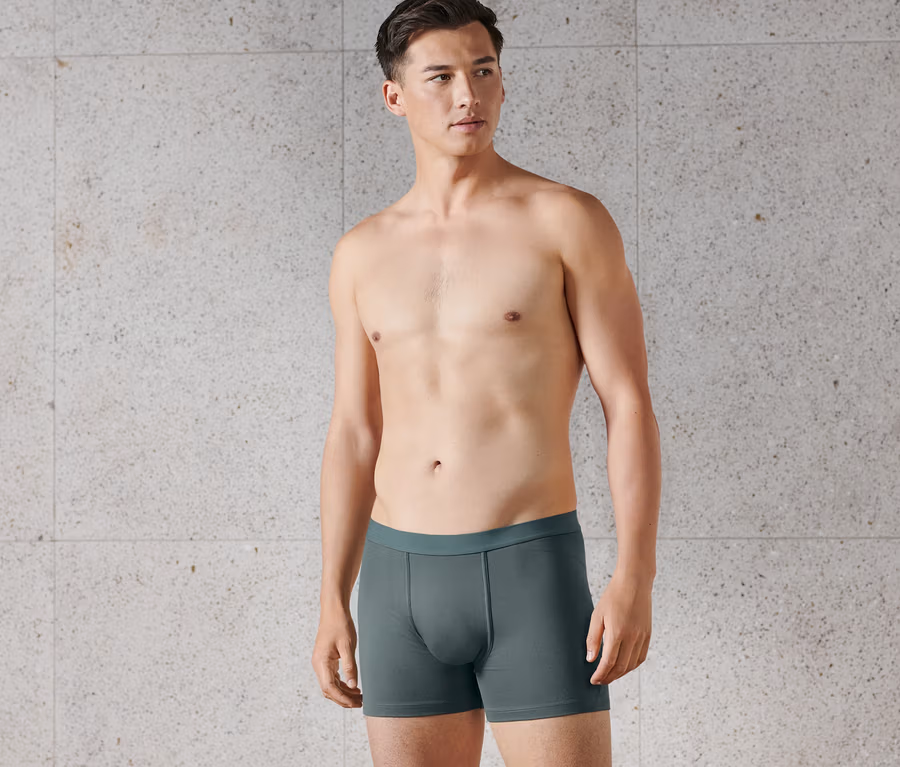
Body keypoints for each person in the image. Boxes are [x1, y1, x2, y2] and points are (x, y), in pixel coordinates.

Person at [311, 0, 661, 764]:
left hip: (529, 566)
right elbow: (355, 430)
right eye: (440, 77)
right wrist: (333, 594)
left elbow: (628, 403)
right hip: (397, 580)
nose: (468, 95)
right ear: (394, 95)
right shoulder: (361, 253)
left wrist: (635, 573)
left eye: (484, 71)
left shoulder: (565, 220)